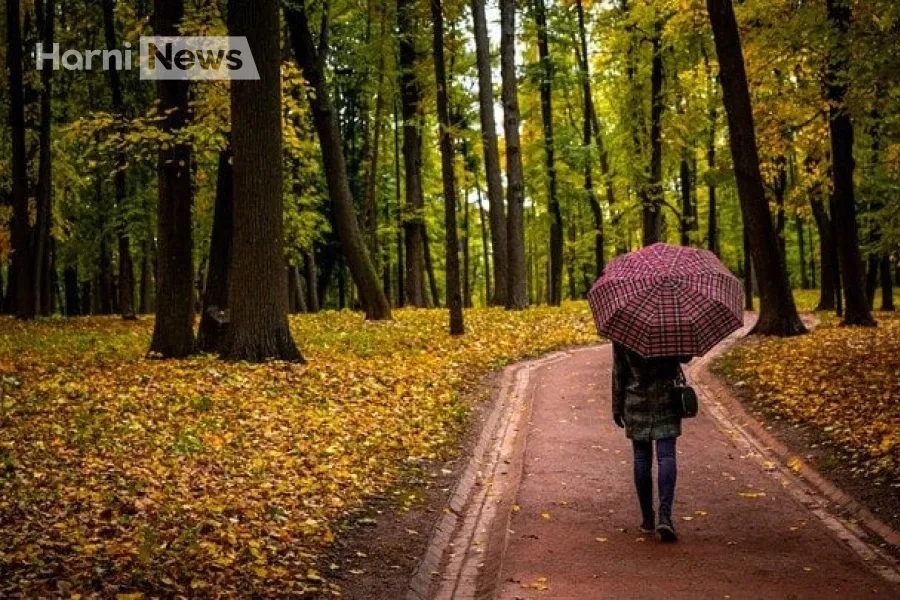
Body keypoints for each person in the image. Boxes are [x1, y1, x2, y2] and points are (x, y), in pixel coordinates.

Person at [611, 342, 691, 542]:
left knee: (641, 459)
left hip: (636, 400)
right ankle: (665, 516)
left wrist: (616, 405)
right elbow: (686, 357)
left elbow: (619, 371)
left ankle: (647, 519)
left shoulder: (625, 330)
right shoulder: (671, 325)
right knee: (666, 456)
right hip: (666, 400)